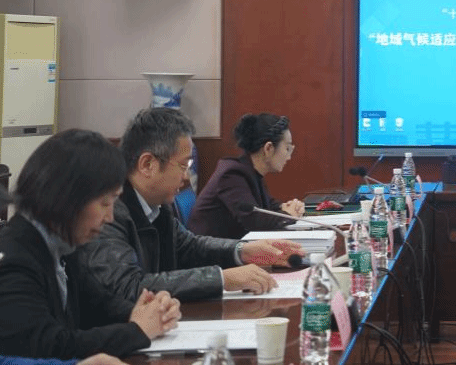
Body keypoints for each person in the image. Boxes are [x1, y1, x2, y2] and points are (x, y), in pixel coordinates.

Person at [77, 108, 305, 304]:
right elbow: (128, 287)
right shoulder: (108, 212)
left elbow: (189, 247)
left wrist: (242, 251)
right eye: (183, 166)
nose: (186, 177)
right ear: (147, 164)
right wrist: (222, 279)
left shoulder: (157, 204)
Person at [0, 130, 179, 359]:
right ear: (67, 198)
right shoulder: (13, 260)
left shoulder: (60, 244)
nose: (110, 217)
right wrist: (137, 330)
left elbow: (98, 305)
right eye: (105, 203)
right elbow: (48, 346)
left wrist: (145, 312)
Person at [188, 113, 305, 239]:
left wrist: (285, 207)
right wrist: (287, 215)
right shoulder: (232, 174)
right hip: (210, 249)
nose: (289, 157)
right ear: (268, 148)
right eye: (287, 148)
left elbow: (266, 206)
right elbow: (253, 220)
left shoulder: (251, 172)